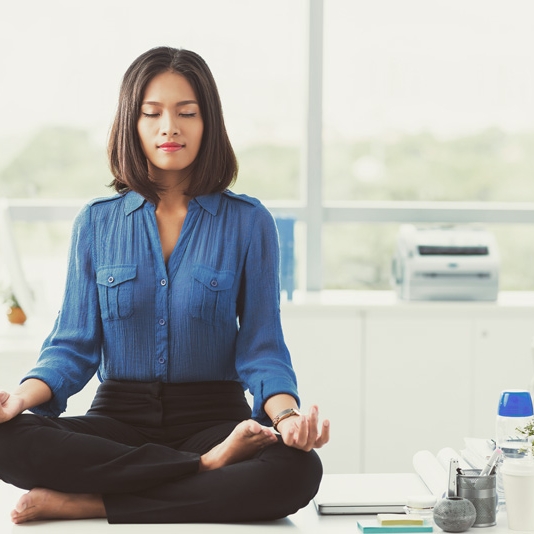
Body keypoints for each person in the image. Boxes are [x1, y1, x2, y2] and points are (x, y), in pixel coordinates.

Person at [0, 46, 329, 525]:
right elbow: (71, 347)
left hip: (214, 418)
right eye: (151, 113)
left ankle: (93, 501)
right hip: (118, 419)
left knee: (296, 470)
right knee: (7, 440)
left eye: (186, 113)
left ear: (207, 122)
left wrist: (287, 418)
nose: (169, 127)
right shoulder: (96, 223)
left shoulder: (249, 222)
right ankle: (203, 469)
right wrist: (18, 400)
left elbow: (262, 347)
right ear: (131, 124)